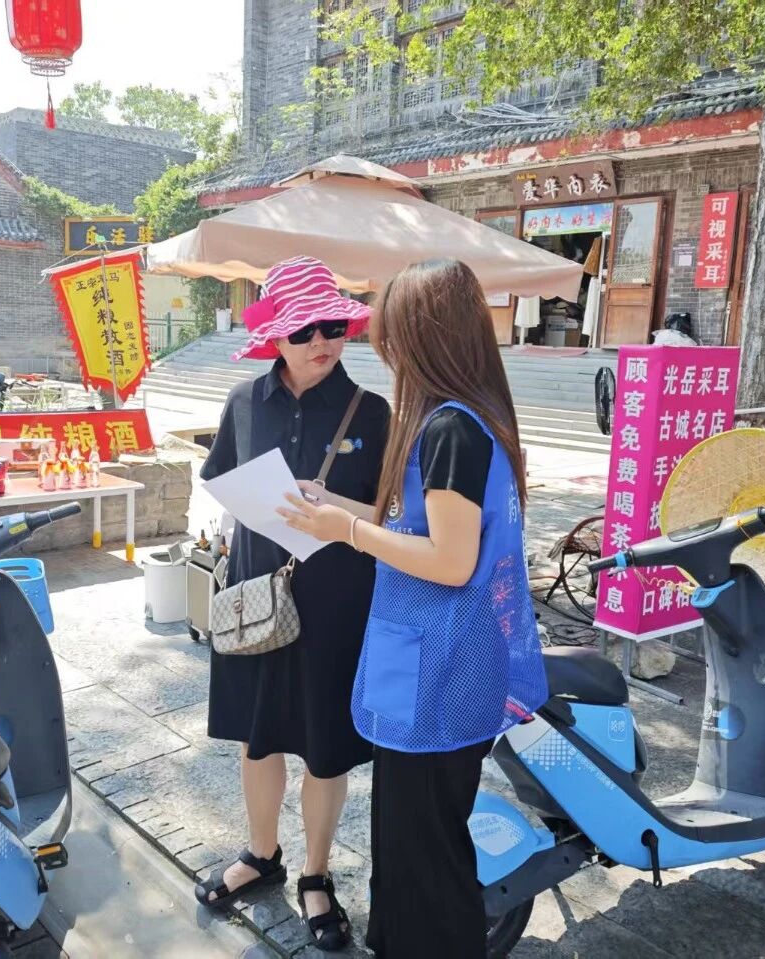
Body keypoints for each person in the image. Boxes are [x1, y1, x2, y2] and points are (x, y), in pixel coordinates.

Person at [279, 259, 549, 958]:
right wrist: (335, 506)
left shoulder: (451, 429)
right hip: (429, 656)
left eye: (394, 337)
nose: (387, 352)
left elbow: (451, 560)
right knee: (405, 844)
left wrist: (346, 530)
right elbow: (417, 526)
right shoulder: (463, 418)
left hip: (444, 665)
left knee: (427, 858)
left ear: (429, 339)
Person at [195, 256, 391, 952]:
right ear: (275, 335)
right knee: (259, 735)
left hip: (337, 601)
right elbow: (220, 477)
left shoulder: (372, 411)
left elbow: (393, 515)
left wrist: (331, 503)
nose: (321, 341)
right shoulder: (245, 401)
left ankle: (316, 873)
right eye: (304, 329)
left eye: (332, 326)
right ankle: (261, 852)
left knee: (325, 748)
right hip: (257, 594)